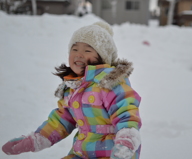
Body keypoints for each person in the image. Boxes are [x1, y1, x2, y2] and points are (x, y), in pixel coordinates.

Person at [2, 21, 142, 159]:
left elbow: (126, 113)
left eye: (87, 50)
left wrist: (125, 144)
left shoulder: (110, 84)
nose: (79, 54)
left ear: (103, 57)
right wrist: (35, 140)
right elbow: (60, 122)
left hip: (112, 153)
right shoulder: (72, 89)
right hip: (81, 154)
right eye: (74, 49)